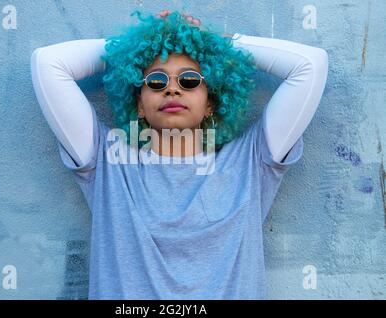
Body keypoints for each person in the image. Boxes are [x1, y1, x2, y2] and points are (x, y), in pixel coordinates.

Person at [30, 9, 328, 299]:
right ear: (140, 105)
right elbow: (48, 64)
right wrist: (134, 46)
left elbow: (310, 66)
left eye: (189, 80)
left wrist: (214, 41)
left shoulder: (250, 160)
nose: (172, 90)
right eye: (156, 81)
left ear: (211, 102)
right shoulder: (107, 159)